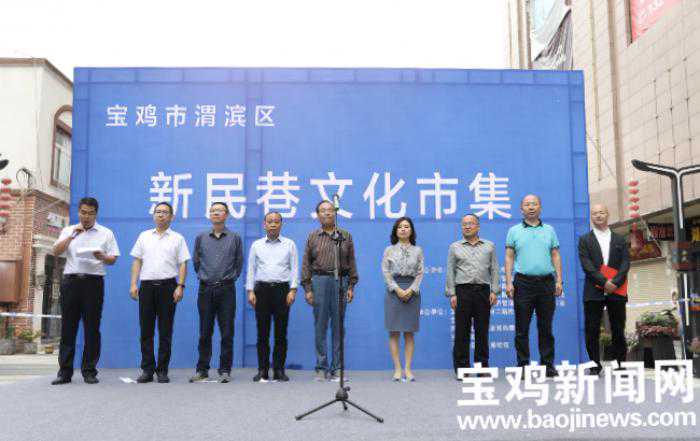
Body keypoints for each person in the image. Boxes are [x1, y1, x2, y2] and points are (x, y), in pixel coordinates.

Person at [51, 197, 119, 385]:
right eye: (83, 212)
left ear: (96, 214)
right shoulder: (69, 230)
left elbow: (113, 259)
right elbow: (56, 251)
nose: (86, 216)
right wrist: (71, 236)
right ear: (78, 212)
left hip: (93, 283)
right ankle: (64, 372)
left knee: (92, 328)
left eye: (90, 213)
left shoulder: (106, 233)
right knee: (68, 328)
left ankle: (89, 371)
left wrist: (102, 256)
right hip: (71, 282)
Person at [129, 202, 190, 383]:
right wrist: (133, 283)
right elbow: (137, 261)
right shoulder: (144, 236)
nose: (161, 215)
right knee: (146, 331)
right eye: (158, 212)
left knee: (165, 331)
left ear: (171, 216)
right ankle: (147, 370)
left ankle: (162, 370)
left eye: (165, 212)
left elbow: (183, 263)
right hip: (147, 287)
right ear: (153, 215)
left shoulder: (177, 238)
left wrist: (180, 286)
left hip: (168, 287)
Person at [505, 194, 563, 377]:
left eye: (534, 204)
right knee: (522, 328)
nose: (531, 207)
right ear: (521, 209)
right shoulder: (514, 231)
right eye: (527, 204)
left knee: (545, 327)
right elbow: (509, 257)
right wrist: (508, 282)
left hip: (546, 282)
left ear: (540, 208)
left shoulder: (549, 230)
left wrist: (559, 280)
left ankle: (547, 365)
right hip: (523, 283)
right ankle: (523, 365)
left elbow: (555, 255)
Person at [301, 200, 358, 382]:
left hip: (341, 281)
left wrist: (351, 285)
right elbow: (306, 264)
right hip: (319, 281)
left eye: (330, 210)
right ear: (317, 215)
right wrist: (308, 288)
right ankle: (321, 367)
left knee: (338, 327)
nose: (327, 213)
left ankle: (337, 368)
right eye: (323, 210)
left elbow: (351, 262)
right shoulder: (313, 236)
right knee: (320, 325)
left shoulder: (345, 236)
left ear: (335, 213)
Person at [189, 202, 243, 384]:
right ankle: (202, 370)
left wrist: (229, 278)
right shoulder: (201, 237)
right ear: (209, 214)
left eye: (219, 210)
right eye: (213, 210)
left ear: (226, 214)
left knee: (227, 332)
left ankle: (225, 370)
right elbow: (196, 262)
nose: (216, 213)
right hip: (206, 289)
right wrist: (207, 277)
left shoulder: (235, 238)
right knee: (205, 332)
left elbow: (238, 263)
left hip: (226, 289)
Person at [246, 211, 299, 382]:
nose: (273, 224)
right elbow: (251, 269)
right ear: (264, 224)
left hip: (282, 291)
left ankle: (279, 370)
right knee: (262, 333)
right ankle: (262, 370)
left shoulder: (289, 244)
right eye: (270, 221)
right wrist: (250, 290)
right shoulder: (257, 245)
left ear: (281, 224)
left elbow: (294, 268)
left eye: (276, 221)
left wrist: (293, 290)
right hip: (261, 290)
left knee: (280, 333)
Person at [446, 214, 499, 379]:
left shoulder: (489, 246)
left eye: (471, 223)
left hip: (483, 291)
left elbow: (494, 269)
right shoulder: (455, 247)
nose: (467, 226)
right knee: (462, 331)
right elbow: (450, 271)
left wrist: (494, 291)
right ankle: (462, 368)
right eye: (464, 224)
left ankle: (482, 367)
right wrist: (452, 293)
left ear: (478, 226)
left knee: (482, 331)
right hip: (462, 291)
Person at [578, 203, 630, 374]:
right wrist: (603, 282)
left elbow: (625, 263)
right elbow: (587, 265)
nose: (598, 216)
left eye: (601, 212)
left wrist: (615, 282)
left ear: (607, 214)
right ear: (591, 217)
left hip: (617, 289)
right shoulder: (585, 240)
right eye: (595, 213)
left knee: (618, 328)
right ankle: (595, 364)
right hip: (593, 290)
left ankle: (619, 364)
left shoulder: (620, 239)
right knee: (592, 329)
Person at [382, 217, 424, 382]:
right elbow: (385, 272)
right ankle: (397, 368)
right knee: (393, 332)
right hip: (394, 291)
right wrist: (397, 288)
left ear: (411, 230)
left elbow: (420, 272)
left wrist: (411, 289)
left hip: (412, 291)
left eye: (406, 226)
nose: (403, 229)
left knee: (409, 332)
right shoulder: (389, 250)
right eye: (400, 227)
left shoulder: (418, 250)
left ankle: (408, 368)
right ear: (396, 231)